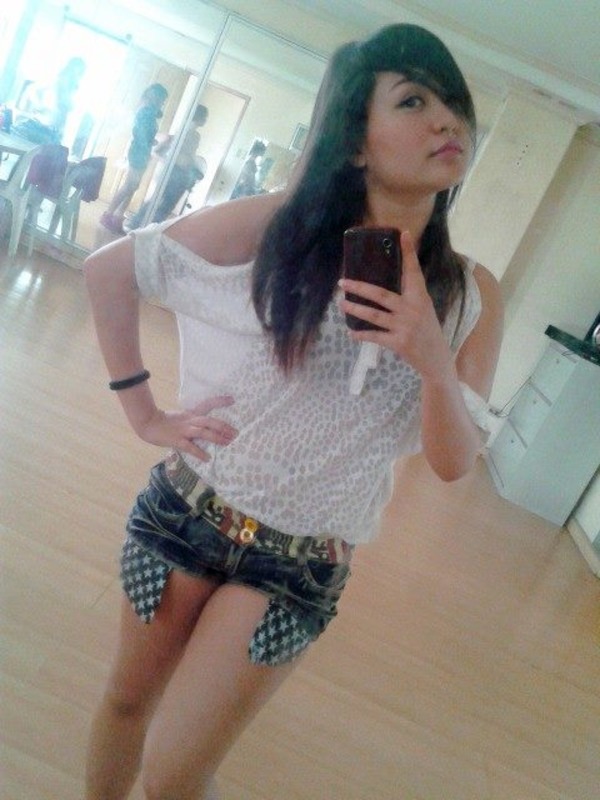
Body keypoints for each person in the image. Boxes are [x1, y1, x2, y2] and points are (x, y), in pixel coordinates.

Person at [83, 23, 503, 800]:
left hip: (300, 565)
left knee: (175, 774)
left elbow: (453, 462)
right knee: (126, 703)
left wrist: (431, 355)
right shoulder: (279, 228)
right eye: (414, 101)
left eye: (453, 103)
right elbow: (112, 270)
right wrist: (144, 413)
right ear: (356, 142)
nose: (447, 120)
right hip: (186, 511)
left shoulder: (470, 294)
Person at [100, 83, 168, 235]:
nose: (162, 102)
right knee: (129, 185)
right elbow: (140, 133)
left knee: (133, 186)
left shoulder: (148, 111)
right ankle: (109, 214)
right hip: (139, 151)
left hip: (142, 151)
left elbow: (144, 133)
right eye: (161, 99)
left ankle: (117, 217)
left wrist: (150, 142)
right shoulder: (146, 111)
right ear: (155, 96)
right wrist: (148, 144)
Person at [128, 104, 209, 229]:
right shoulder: (190, 134)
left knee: (158, 201)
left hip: (176, 171)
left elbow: (178, 151)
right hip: (176, 172)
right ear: (200, 117)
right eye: (205, 117)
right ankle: (144, 227)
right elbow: (181, 154)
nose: (206, 120)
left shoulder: (186, 131)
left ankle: (138, 224)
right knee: (165, 205)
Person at [12, 56, 86, 144]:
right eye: (74, 70)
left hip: (53, 134)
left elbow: (66, 112)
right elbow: (31, 89)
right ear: (69, 68)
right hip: (39, 128)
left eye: (79, 73)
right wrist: (39, 105)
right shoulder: (56, 80)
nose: (76, 75)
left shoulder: (71, 90)